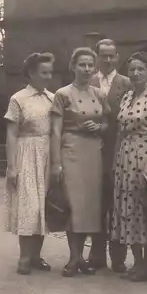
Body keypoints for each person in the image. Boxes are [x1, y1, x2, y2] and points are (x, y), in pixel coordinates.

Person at [110, 51, 147, 282]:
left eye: (140, 69)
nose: (135, 73)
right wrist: (116, 160)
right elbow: (120, 131)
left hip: (146, 157)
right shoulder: (126, 97)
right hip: (125, 159)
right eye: (132, 69)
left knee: (146, 210)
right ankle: (137, 262)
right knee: (129, 209)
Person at [50, 47, 109, 277]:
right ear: (73, 67)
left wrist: (100, 127)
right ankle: (74, 258)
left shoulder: (100, 94)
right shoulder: (62, 94)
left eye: (89, 65)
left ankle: (81, 258)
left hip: (93, 152)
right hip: (71, 150)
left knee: (89, 208)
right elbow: (55, 131)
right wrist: (56, 163)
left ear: (94, 68)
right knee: (75, 205)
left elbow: (106, 124)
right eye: (81, 65)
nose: (86, 69)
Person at [4, 52, 55, 275]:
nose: (48, 77)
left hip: (48, 154)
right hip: (26, 153)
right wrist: (12, 166)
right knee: (29, 206)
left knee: (43, 207)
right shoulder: (18, 99)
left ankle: (36, 256)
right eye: (43, 72)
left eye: (50, 72)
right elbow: (11, 134)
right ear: (32, 73)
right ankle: (24, 257)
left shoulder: (53, 98)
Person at [87, 39, 132, 273]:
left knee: (118, 205)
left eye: (111, 56)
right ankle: (96, 255)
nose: (107, 60)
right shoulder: (88, 81)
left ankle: (118, 257)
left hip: (120, 152)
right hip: (91, 153)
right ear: (96, 57)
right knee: (96, 205)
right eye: (102, 55)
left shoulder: (126, 82)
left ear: (117, 57)